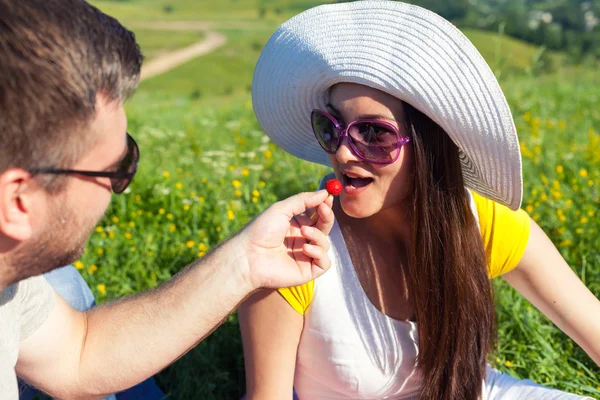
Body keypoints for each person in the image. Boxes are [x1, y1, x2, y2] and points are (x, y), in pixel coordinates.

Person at [240, 2, 600, 399]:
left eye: (374, 134)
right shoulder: (295, 251)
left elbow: (591, 325)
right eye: (333, 127)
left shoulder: (480, 221)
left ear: (429, 148)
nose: (342, 153)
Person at [0, 1, 335, 399]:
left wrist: (246, 262)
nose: (116, 190)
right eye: (114, 170)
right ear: (18, 201)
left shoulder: (11, 287)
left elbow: (79, 354)